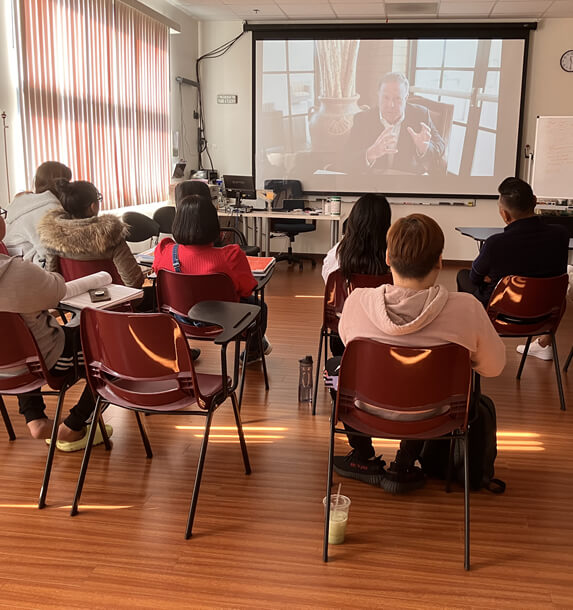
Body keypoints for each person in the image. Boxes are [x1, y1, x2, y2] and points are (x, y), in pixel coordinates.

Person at [332, 214, 506, 493]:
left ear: (388, 257)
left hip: (366, 410)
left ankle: (363, 457)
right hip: (438, 416)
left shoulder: (358, 301)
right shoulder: (467, 308)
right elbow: (494, 367)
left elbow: (347, 342)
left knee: (335, 366)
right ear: (439, 260)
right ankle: (404, 463)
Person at [0, 208, 110, 450]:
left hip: (7, 368)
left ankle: (35, 419)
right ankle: (73, 425)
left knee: (16, 343)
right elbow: (57, 289)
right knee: (113, 349)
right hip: (48, 361)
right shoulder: (16, 272)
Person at [456, 177, 569, 360]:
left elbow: (475, 278)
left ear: (505, 215)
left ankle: (471, 343)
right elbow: (557, 272)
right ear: (534, 201)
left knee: (463, 275)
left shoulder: (495, 244)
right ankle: (544, 343)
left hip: (501, 314)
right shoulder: (561, 235)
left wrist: (490, 278)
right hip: (547, 314)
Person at [153, 193, 271, 362]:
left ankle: (181, 350)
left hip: (180, 320)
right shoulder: (230, 255)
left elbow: (158, 274)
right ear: (212, 223)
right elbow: (247, 289)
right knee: (260, 306)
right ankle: (252, 352)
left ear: (178, 222)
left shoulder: (164, 251)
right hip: (224, 322)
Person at [37, 180, 144, 289]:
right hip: (115, 303)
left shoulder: (52, 236)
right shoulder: (110, 235)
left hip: (72, 303)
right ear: (93, 206)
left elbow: (52, 279)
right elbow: (134, 282)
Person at [347, 73, 445, 175]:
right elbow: (346, 158)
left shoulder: (420, 115)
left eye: (397, 99)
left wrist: (424, 148)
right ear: (378, 95)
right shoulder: (363, 119)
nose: (391, 105)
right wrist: (370, 154)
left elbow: (440, 146)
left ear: (406, 98)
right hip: (375, 182)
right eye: (386, 97)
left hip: (409, 180)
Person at [3, 161, 72, 264]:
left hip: (10, 267)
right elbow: (49, 256)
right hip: (29, 270)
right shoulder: (50, 209)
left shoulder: (18, 205)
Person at [321, 193, 392, 283]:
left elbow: (330, 283)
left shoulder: (336, 253)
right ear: (386, 224)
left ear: (353, 219)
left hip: (348, 297)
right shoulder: (395, 254)